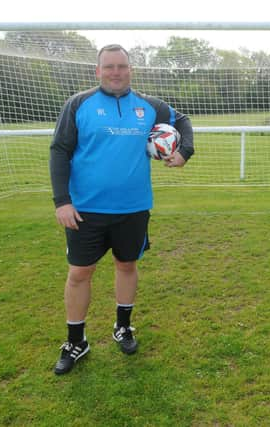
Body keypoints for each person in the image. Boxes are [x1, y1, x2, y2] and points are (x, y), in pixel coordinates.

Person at [49, 44, 194, 375]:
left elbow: (182, 121)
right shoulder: (79, 104)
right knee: (79, 273)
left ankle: (123, 326)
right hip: (85, 210)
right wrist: (62, 201)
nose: (116, 72)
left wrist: (185, 151)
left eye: (122, 66)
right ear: (97, 71)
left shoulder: (148, 106)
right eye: (109, 67)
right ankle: (76, 341)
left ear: (131, 69)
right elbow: (59, 151)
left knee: (126, 265)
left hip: (133, 207)